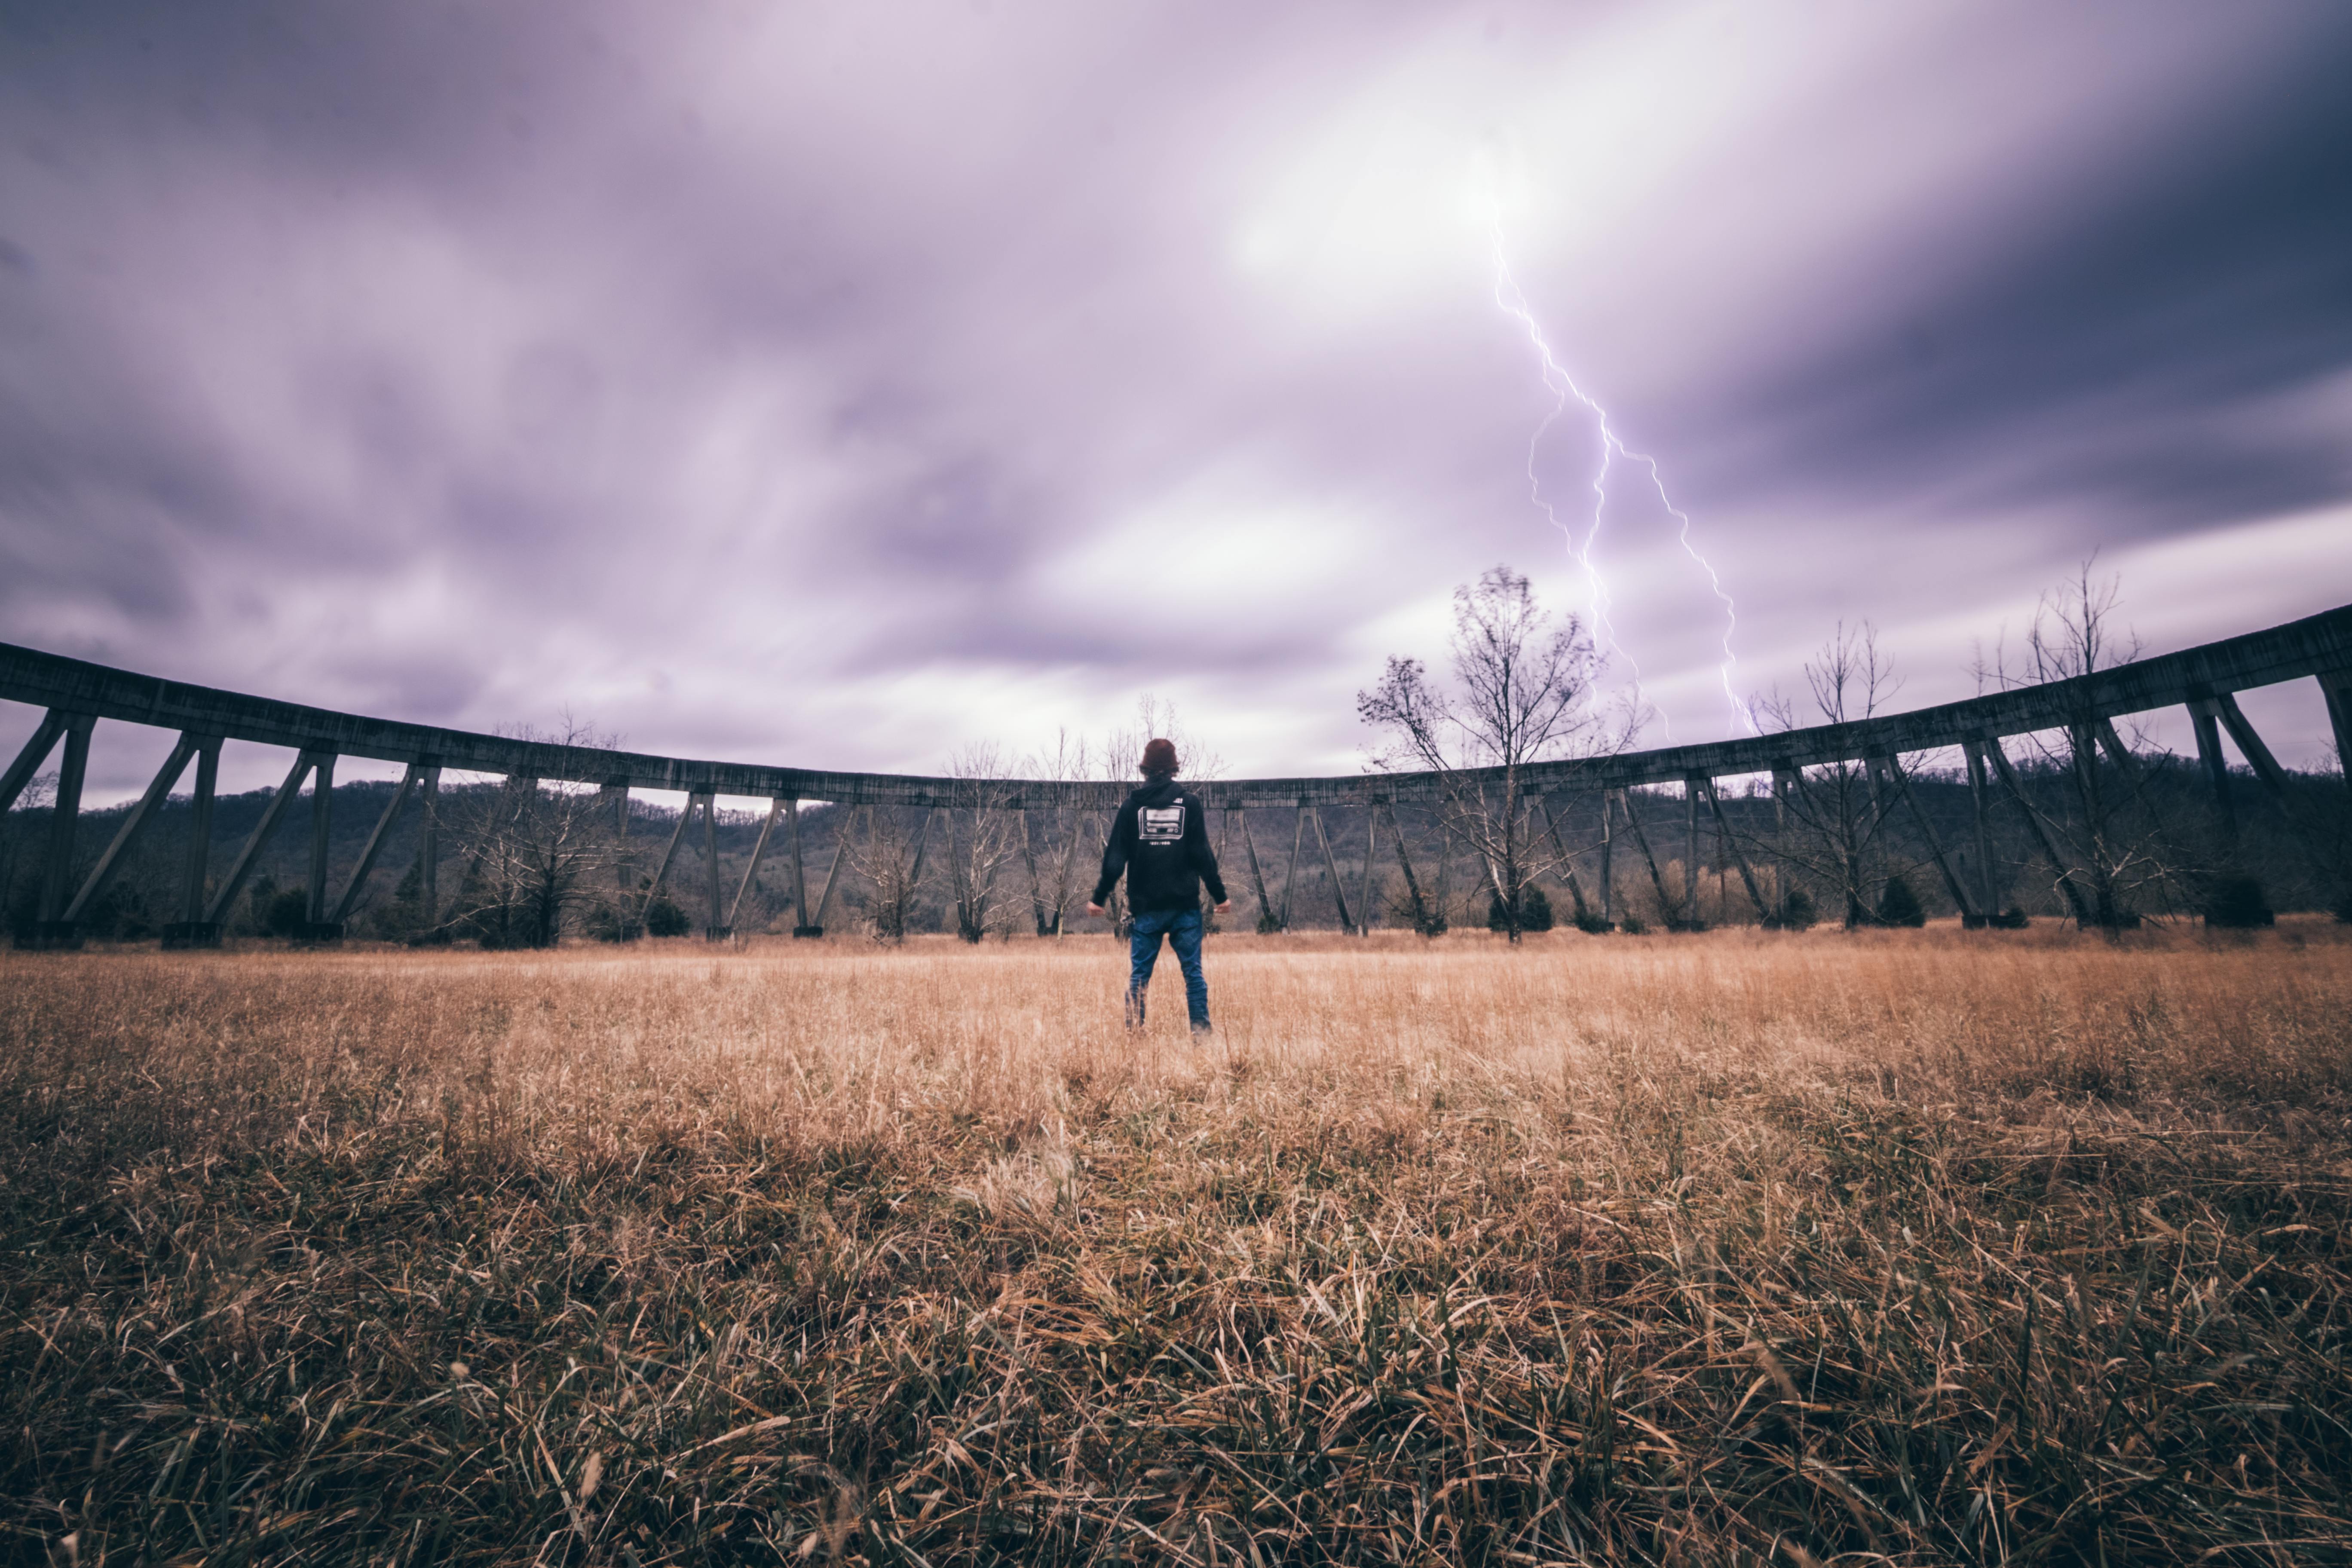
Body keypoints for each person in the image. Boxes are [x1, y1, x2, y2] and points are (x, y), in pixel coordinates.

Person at [1086, 738, 1231, 1033]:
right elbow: (1202, 853)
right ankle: (1201, 1038)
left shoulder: (1131, 808)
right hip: (1185, 908)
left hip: (1147, 907)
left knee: (1139, 977)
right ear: (1174, 767)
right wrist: (1219, 895)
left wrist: (1099, 897)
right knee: (1194, 975)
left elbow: (1116, 856)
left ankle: (1133, 1036)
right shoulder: (1189, 804)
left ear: (1146, 768)